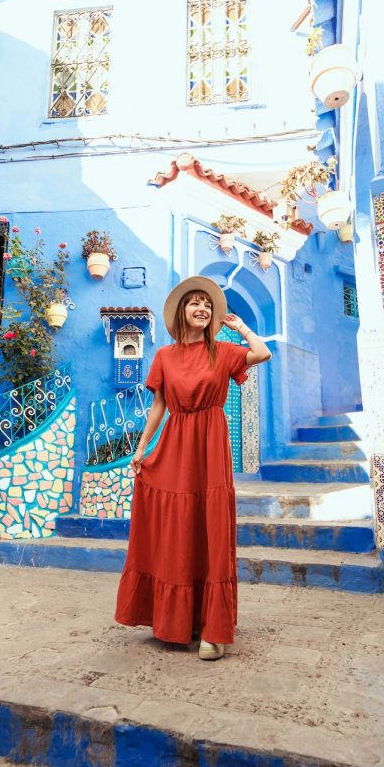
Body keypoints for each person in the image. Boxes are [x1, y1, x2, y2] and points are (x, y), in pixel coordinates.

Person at [114, 275, 272, 660]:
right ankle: (174, 619)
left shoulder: (223, 351)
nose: (201, 309)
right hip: (175, 444)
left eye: (207, 304)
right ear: (182, 312)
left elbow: (263, 353)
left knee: (210, 526)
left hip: (210, 443)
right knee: (177, 524)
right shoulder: (165, 356)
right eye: (194, 303)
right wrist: (140, 448)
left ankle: (213, 631)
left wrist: (241, 327)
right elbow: (159, 407)